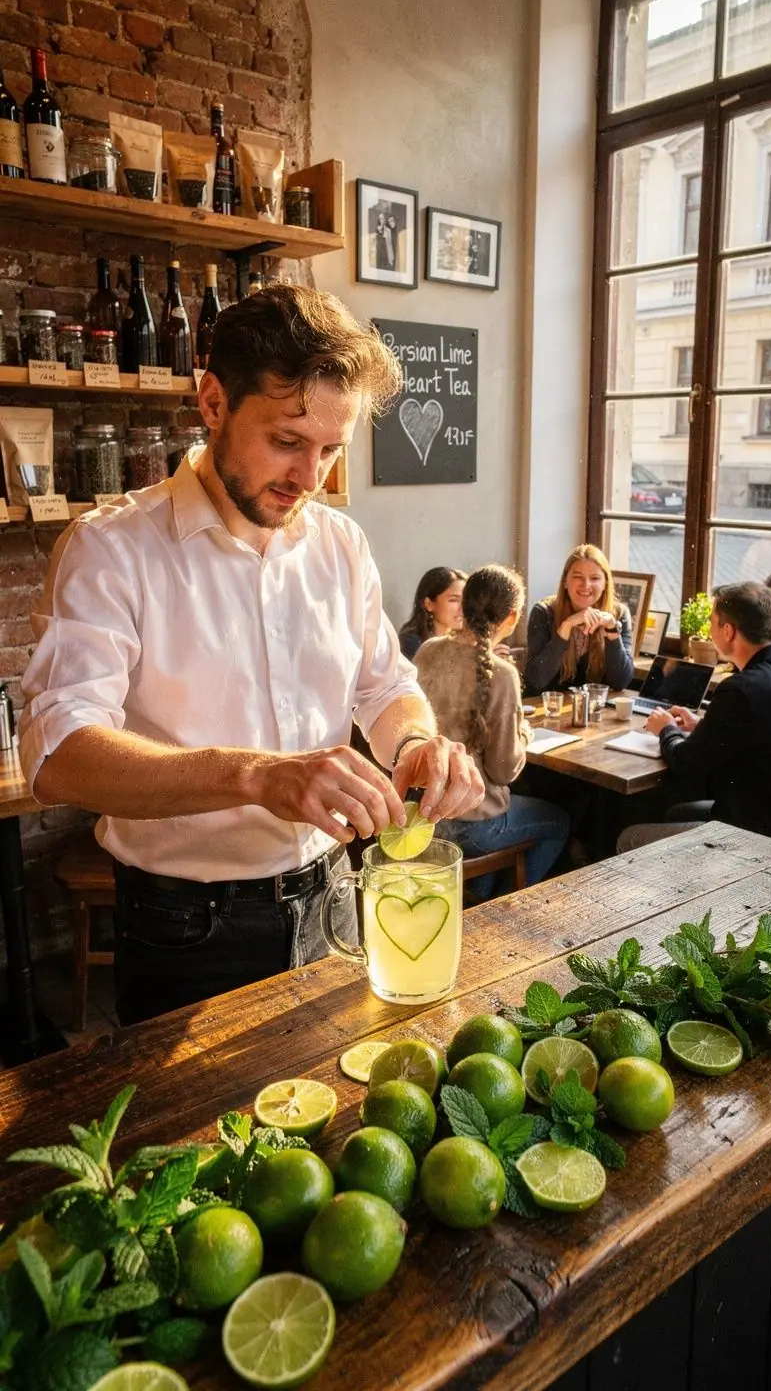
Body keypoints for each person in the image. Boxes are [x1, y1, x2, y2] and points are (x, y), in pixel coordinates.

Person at [19, 286, 484, 1026]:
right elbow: (59, 757)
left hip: (336, 895)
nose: (312, 479)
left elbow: (384, 683)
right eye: (288, 441)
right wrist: (258, 775)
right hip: (186, 929)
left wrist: (419, 742)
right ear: (212, 403)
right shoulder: (110, 549)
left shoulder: (341, 544)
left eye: (332, 450)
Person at [617, 582, 771, 851]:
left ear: (727, 631)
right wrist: (703, 724)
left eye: (712, 623)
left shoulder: (740, 688)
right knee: (675, 813)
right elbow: (760, 734)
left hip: (755, 838)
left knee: (628, 838)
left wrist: (666, 728)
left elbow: (684, 763)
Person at [415, 565, 569, 900]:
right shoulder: (501, 674)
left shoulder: (428, 651)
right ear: (512, 618)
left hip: (425, 816)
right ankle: (503, 907)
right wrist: (524, 735)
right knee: (558, 821)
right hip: (474, 824)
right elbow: (503, 770)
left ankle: (481, 899)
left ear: (464, 604)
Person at [524, 544, 634, 696]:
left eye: (595, 578)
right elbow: (536, 680)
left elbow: (620, 682)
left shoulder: (619, 614)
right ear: (565, 582)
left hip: (595, 712)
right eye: (577, 577)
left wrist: (612, 631)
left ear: (605, 583)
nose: (586, 585)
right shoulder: (543, 612)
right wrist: (566, 627)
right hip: (549, 711)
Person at [399, 566, 466, 660]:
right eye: (454, 600)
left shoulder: (466, 643)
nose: (462, 607)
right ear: (429, 604)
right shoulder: (411, 644)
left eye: (466, 600)